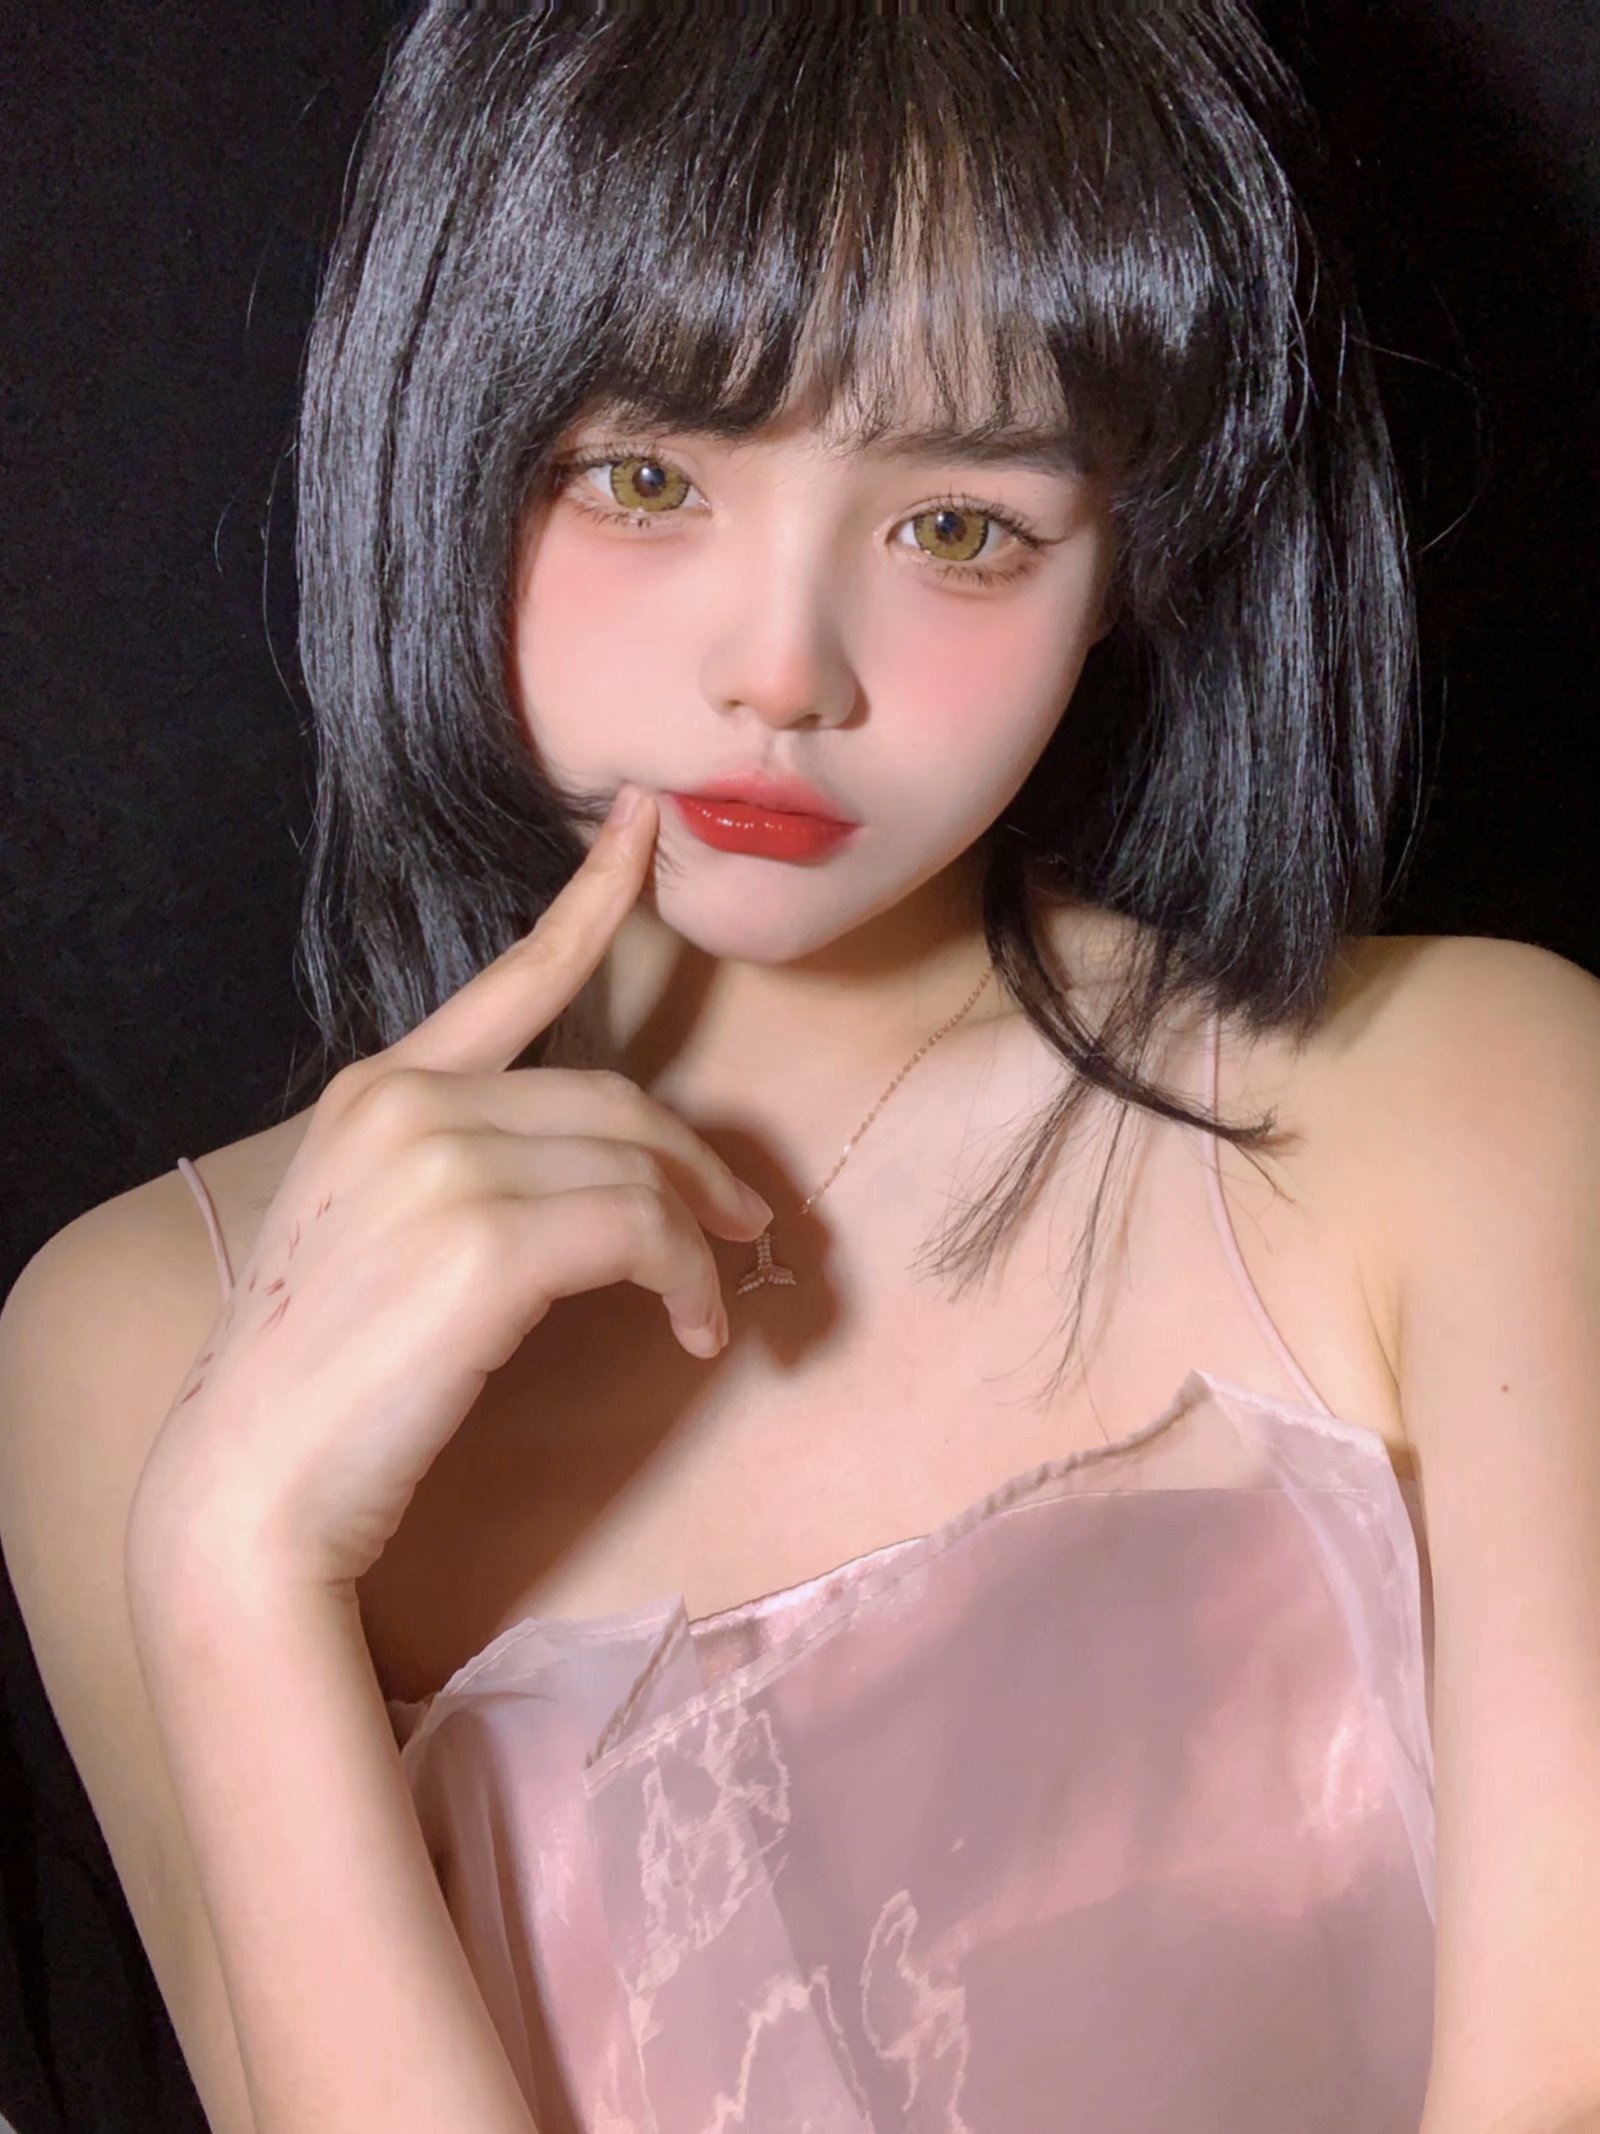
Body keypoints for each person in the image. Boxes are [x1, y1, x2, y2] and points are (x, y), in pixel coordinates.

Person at [3, 3, 1599, 2131]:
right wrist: (233, 1566)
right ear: (442, 437)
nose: (781, 667)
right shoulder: (138, 1339)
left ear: (1125, 560)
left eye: (958, 525)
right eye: (647, 476)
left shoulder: (1466, 1105)